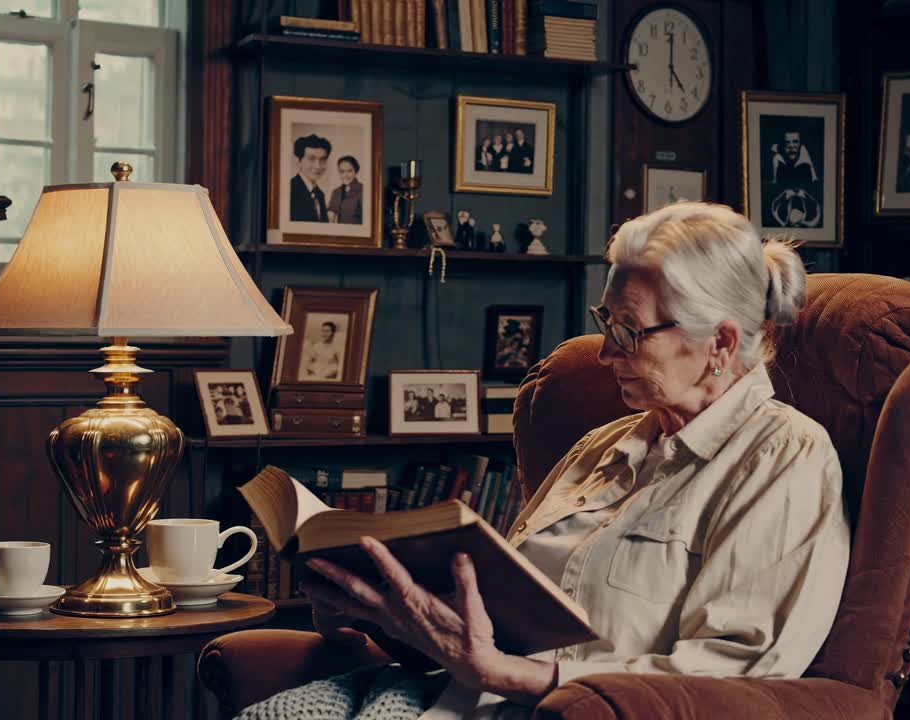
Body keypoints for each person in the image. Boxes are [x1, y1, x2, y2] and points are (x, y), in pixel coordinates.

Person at [236, 202, 849, 720]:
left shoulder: (783, 459)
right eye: (606, 321)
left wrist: (520, 677)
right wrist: (388, 615)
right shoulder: (602, 447)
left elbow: (733, 675)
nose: (607, 351)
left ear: (719, 342)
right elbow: (493, 629)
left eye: (630, 331)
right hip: (460, 699)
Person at [289, 134, 332, 222]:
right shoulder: (289, 190)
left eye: (323, 159)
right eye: (311, 159)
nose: (318, 166)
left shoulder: (320, 194)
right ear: (298, 161)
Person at [326, 155, 364, 225]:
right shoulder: (336, 192)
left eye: (349, 171)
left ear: (355, 171)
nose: (345, 175)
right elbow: (331, 215)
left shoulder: (363, 190)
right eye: (342, 171)